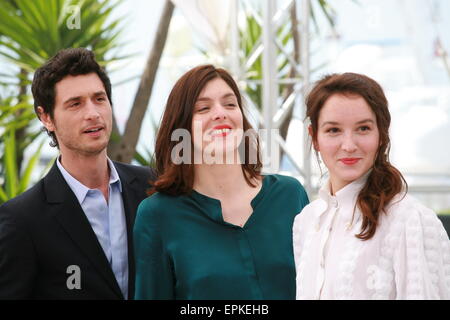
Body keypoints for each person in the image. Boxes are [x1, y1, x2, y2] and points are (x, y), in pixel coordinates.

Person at [133, 64, 309, 300]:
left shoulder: (290, 195)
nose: (220, 113)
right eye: (203, 108)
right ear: (181, 127)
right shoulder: (157, 215)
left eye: (230, 104)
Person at [0, 48, 156, 299]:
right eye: (75, 104)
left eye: (99, 99)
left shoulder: (153, 187)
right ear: (46, 117)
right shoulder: (22, 220)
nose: (93, 113)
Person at [293, 72, 450, 299]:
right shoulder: (307, 221)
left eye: (363, 128)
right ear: (314, 137)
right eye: (333, 130)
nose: (348, 145)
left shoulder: (410, 220)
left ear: (381, 134)